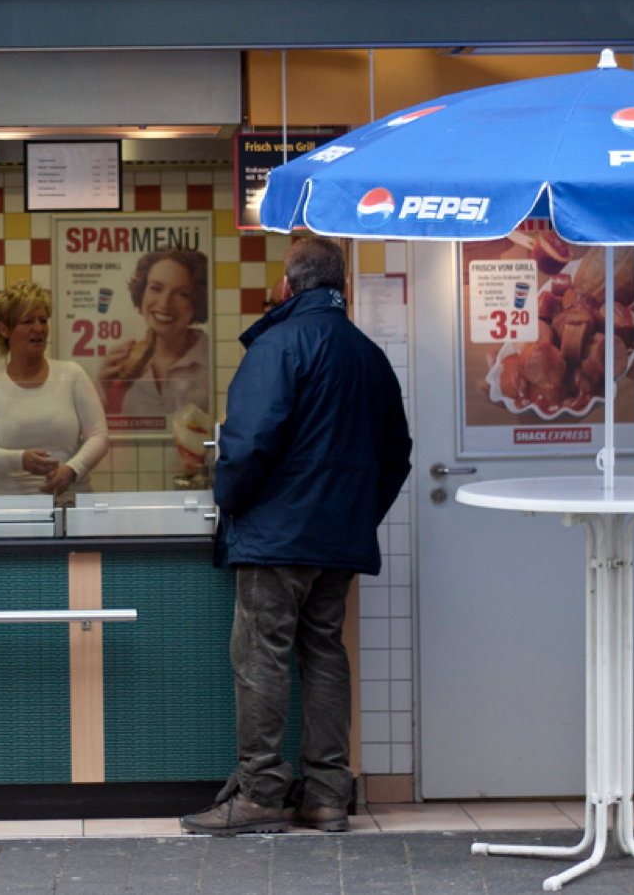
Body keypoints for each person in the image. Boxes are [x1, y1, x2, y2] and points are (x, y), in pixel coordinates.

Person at [181, 235, 412, 836]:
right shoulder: (369, 356)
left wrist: (231, 504)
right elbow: (398, 454)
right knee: (324, 655)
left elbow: (247, 443)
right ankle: (329, 795)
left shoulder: (279, 344)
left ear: (288, 285)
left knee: (260, 657)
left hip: (276, 537)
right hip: (336, 539)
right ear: (343, 287)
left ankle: (259, 795)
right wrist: (359, 513)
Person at [0, 280, 109, 499]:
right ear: (4, 329)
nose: (39, 328)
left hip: (69, 505)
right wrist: (20, 460)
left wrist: (72, 470)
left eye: (43, 320)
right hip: (10, 512)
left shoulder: (71, 374)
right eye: (27, 321)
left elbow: (99, 436)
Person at [99, 249, 210, 418]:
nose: (164, 304)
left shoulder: (212, 358)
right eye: (156, 288)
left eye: (182, 294)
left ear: (197, 302)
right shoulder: (123, 361)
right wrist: (107, 392)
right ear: (142, 292)